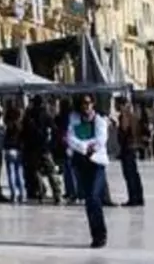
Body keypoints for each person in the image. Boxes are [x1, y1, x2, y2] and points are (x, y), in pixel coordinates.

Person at [66, 94, 110, 249]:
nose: (86, 106)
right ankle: (95, 235)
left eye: (89, 103)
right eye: (83, 103)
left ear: (93, 104)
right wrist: (84, 147)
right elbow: (70, 138)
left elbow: (100, 140)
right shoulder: (74, 119)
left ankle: (101, 234)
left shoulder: (99, 120)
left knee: (94, 197)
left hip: (97, 163)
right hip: (81, 163)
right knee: (88, 200)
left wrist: (84, 145)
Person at [115, 98, 145, 207]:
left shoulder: (125, 116)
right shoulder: (133, 116)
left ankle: (133, 198)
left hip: (127, 148)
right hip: (133, 147)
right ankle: (139, 197)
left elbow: (124, 129)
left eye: (117, 104)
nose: (115, 107)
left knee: (129, 174)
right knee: (135, 174)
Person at [3, 106, 27, 204]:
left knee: (11, 173)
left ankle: (13, 194)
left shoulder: (8, 126)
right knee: (19, 173)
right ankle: (22, 194)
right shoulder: (21, 126)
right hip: (19, 151)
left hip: (9, 150)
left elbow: (5, 139)